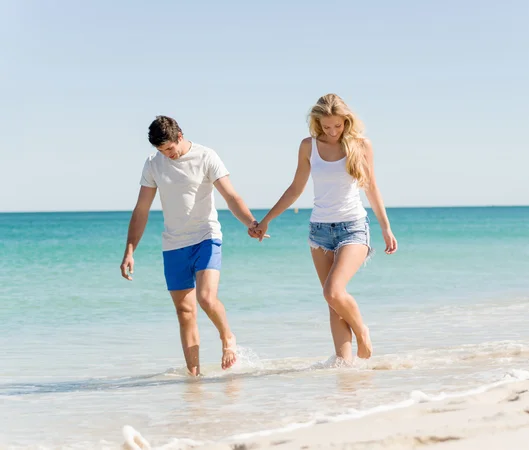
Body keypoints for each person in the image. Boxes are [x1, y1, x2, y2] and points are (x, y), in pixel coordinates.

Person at [251, 94, 398, 361]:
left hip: (353, 227)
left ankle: (362, 331)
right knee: (332, 303)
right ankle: (344, 368)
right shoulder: (309, 146)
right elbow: (295, 189)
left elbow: (372, 188)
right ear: (317, 123)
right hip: (319, 231)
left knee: (333, 291)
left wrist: (386, 228)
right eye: (326, 126)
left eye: (338, 126)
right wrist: (266, 220)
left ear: (346, 121)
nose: (332, 132)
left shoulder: (361, 145)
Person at [120, 116, 259, 375]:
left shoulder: (206, 156)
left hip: (206, 236)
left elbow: (230, 195)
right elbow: (141, 210)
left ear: (180, 135)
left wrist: (250, 222)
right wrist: (130, 250)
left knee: (206, 298)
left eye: (170, 148)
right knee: (185, 311)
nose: (167, 155)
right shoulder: (153, 164)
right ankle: (194, 377)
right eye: (161, 151)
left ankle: (227, 337)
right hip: (173, 244)